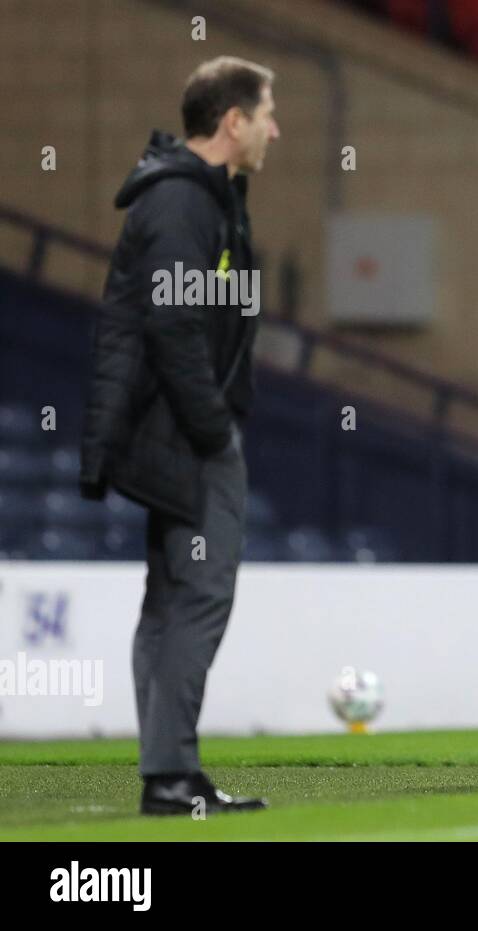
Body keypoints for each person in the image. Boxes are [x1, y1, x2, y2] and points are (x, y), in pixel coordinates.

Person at [79, 56, 279, 814]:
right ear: (234, 121)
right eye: (266, 113)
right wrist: (212, 427)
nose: (274, 128)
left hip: (167, 425)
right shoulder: (181, 202)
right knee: (197, 594)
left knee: (170, 597)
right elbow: (172, 324)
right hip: (181, 430)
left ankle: (170, 771)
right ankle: (169, 773)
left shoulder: (203, 197)